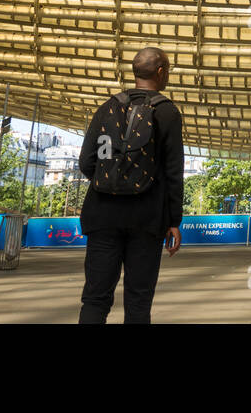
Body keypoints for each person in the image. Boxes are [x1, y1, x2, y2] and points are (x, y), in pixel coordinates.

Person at [78, 46, 184, 324]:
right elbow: (174, 171)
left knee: (95, 298)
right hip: (146, 218)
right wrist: (174, 221)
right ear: (161, 72)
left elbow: (86, 161)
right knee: (138, 300)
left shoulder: (108, 107)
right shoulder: (167, 112)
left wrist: (111, 182)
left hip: (102, 214)